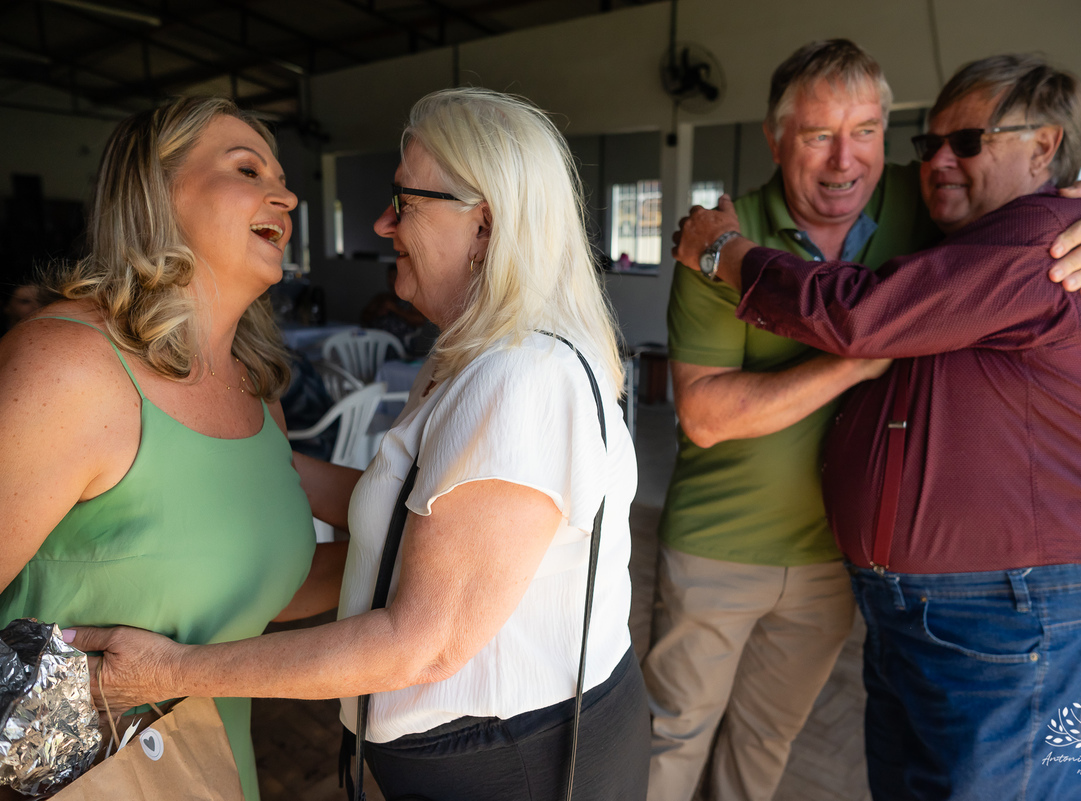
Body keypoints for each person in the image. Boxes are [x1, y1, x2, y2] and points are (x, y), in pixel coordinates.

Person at [71, 87, 650, 801]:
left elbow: (422, 642)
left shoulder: (522, 375)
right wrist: (230, 449)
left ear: (485, 224)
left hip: (515, 766)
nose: (382, 223)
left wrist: (173, 670)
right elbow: (413, 510)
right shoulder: (478, 358)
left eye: (404, 202)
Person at [648, 39, 1081, 801]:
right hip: (919, 608)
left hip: (1014, 610)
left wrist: (726, 253)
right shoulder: (952, 223)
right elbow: (703, 412)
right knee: (684, 733)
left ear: (1045, 147)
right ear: (776, 140)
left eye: (966, 143)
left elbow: (862, 314)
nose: (938, 163)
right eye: (930, 144)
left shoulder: (1045, 238)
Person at [0, 97, 347, 801]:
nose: (286, 193)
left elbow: (250, 590)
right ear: (155, 195)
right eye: (247, 168)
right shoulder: (68, 364)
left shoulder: (255, 390)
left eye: (282, 177)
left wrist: (432, 553)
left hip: (211, 776)